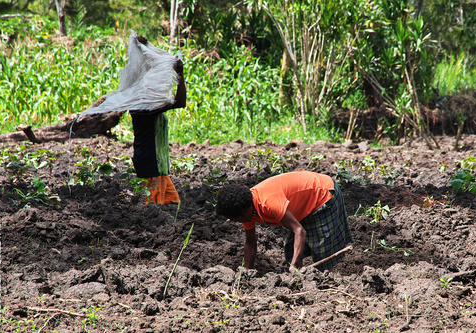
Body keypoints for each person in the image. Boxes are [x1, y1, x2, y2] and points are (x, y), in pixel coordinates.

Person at [216, 170, 352, 272]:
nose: (235, 222)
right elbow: (250, 244)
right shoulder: (248, 209)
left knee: (322, 251)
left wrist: (295, 265)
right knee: (290, 251)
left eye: (235, 219)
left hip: (323, 193)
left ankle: (332, 279)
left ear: (243, 212)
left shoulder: (268, 202)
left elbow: (299, 231)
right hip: (306, 202)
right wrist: (246, 271)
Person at [130, 36, 186, 205]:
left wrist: (144, 45)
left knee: (172, 204)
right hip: (150, 165)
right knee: (155, 208)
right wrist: (180, 74)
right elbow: (180, 102)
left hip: (158, 165)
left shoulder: (149, 103)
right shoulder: (143, 106)